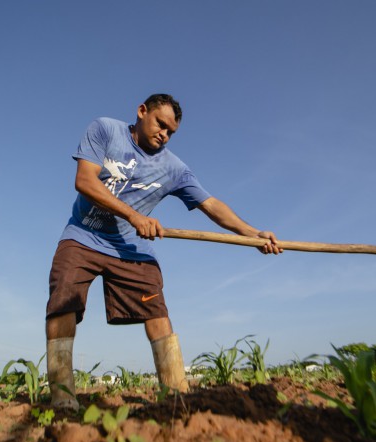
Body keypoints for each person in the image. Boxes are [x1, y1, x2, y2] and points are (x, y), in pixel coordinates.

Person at [45, 94, 282, 410]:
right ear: (142, 112)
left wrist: (253, 234)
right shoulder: (105, 130)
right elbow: (85, 181)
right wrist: (133, 215)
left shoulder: (174, 168)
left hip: (131, 249)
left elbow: (211, 205)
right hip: (83, 236)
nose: (164, 135)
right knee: (64, 302)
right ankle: (62, 398)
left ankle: (175, 396)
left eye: (171, 132)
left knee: (157, 312)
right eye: (160, 124)